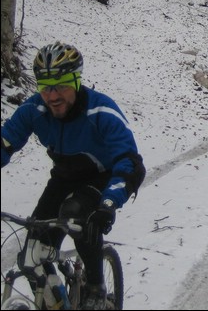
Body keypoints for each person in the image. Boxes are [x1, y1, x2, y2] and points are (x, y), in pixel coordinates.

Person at [1, 42, 145, 310]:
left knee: (78, 214)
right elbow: (4, 143)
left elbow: (129, 161)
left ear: (77, 81)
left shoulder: (101, 111)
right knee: (32, 255)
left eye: (61, 85)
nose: (52, 96)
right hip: (63, 177)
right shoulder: (34, 110)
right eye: (45, 87)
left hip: (99, 178)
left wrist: (110, 203)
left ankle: (95, 287)